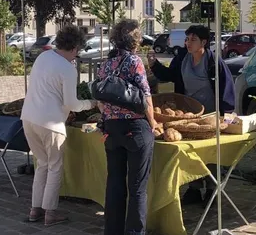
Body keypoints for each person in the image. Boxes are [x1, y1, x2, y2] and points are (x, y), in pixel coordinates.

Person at [148, 25, 235, 205]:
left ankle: (212, 190)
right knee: (191, 152)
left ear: (203, 42)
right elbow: (170, 75)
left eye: (193, 40)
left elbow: (227, 87)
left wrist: (226, 115)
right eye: (187, 39)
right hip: (189, 115)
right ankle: (194, 188)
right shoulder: (182, 58)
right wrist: (154, 65)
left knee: (210, 152)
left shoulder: (213, 62)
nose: (188, 43)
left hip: (210, 115)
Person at [20, 25, 97, 226]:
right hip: (51, 123)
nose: (77, 55)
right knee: (54, 167)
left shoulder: (42, 57)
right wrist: (92, 103)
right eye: (78, 50)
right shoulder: (67, 69)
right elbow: (71, 104)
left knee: (42, 165)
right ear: (74, 47)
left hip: (28, 118)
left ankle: (35, 209)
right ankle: (50, 213)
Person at [96, 19, 159, 235]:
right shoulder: (134, 62)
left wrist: (110, 117)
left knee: (114, 183)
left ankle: (112, 231)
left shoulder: (104, 64)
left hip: (112, 129)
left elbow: (100, 101)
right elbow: (146, 97)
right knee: (137, 188)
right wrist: (153, 123)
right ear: (135, 40)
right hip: (135, 128)